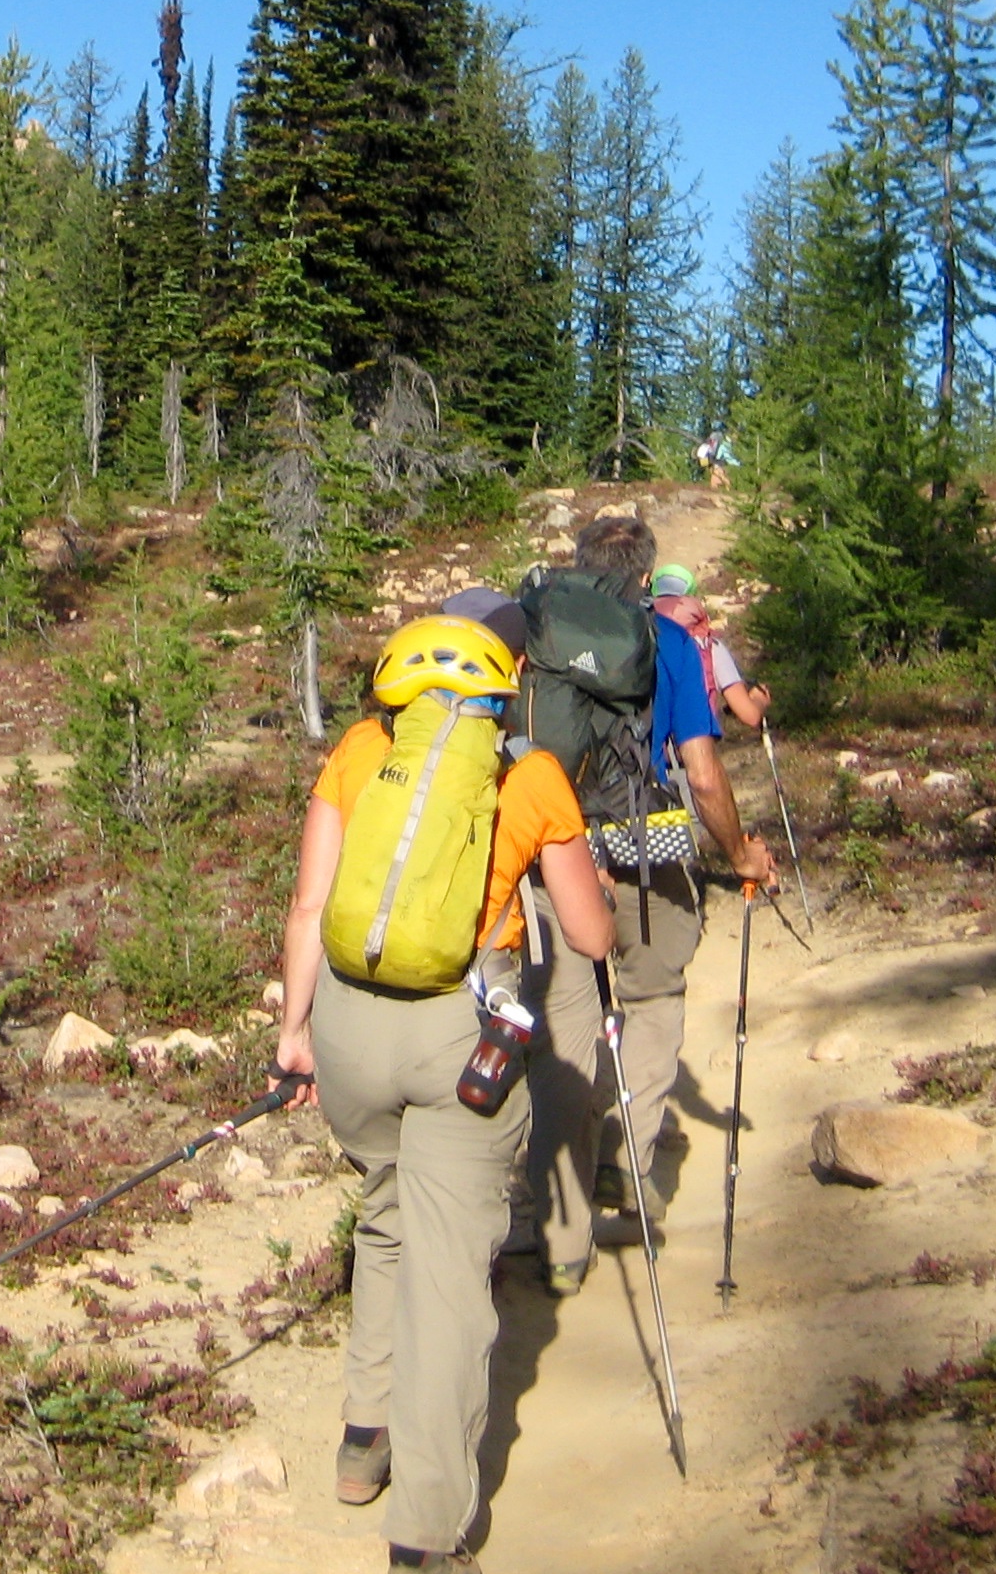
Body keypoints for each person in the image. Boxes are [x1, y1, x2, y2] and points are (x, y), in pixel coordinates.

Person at [274, 601, 616, 1574]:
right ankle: (425, 1532)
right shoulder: (530, 775)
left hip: (347, 1027)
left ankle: (360, 1438)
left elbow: (309, 908)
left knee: (384, 1211)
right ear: (499, 687)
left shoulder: (357, 753)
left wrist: (292, 1036)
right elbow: (589, 938)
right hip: (462, 1041)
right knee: (449, 1280)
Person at [519, 513, 777, 1298]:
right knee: (654, 996)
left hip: (556, 847)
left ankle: (560, 1242)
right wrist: (739, 855)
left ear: (578, 564)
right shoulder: (667, 644)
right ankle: (627, 1168)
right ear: (646, 575)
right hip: (647, 842)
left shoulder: (540, 637)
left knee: (565, 1026)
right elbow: (701, 773)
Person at [650, 561, 769, 732]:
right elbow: (750, 716)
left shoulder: (638, 637)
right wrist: (759, 700)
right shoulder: (709, 645)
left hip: (644, 749)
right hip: (695, 745)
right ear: (691, 597)